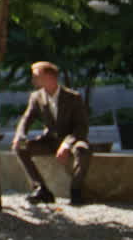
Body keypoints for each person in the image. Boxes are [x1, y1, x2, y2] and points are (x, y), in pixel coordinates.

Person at [12, 61, 92, 206]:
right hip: (49, 140)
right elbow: (26, 119)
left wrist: (67, 144)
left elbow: (81, 127)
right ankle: (41, 189)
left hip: (73, 140)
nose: (33, 80)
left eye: (36, 76)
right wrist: (20, 135)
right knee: (19, 147)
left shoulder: (73, 97)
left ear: (49, 77)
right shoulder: (36, 97)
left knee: (83, 150)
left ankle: (75, 191)